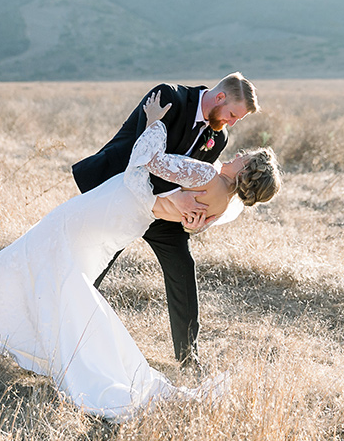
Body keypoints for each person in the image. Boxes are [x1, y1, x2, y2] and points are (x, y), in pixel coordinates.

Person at [0, 92, 280, 422]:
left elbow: (147, 161)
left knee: (47, 245)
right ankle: (11, 314)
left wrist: (155, 122)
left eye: (245, 156)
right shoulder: (224, 203)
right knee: (59, 260)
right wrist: (168, 204)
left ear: (248, 169)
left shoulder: (208, 172)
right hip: (130, 215)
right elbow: (190, 221)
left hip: (117, 203)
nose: (238, 152)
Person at [72, 73, 258, 369]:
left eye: (238, 120)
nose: (232, 123)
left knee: (183, 268)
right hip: (122, 193)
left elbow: (195, 178)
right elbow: (140, 153)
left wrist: (192, 217)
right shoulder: (168, 97)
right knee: (95, 261)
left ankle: (188, 358)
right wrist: (175, 197)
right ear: (220, 97)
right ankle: (68, 331)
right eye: (233, 114)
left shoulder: (218, 136)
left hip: (164, 213)